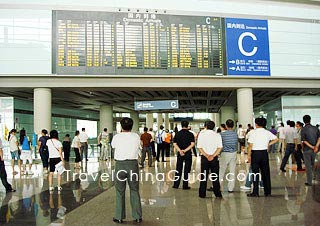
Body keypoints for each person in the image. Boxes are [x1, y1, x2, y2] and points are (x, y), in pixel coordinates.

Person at [111, 117, 142, 224]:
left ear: (121, 126)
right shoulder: (136, 136)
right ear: (132, 126)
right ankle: (137, 216)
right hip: (133, 165)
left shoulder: (116, 137)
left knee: (120, 192)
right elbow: (139, 147)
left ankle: (119, 217)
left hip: (120, 165)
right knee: (134, 190)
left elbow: (113, 146)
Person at [247, 117, 278, 197]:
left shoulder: (253, 132)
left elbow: (250, 145)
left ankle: (255, 192)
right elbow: (276, 139)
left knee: (255, 173)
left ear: (256, 124)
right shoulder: (267, 132)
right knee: (265, 173)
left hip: (255, 154)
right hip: (264, 153)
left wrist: (249, 155)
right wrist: (268, 144)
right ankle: (267, 192)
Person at [197, 120, 223, 198]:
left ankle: (202, 194)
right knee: (215, 176)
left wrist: (206, 155)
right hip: (214, 159)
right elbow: (220, 147)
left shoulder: (202, 135)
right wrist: (213, 156)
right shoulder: (217, 135)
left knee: (204, 176)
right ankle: (217, 193)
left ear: (206, 126)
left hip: (205, 158)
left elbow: (199, 147)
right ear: (214, 127)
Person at [172, 121, 195, 190]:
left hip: (180, 153)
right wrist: (185, 150)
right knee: (187, 169)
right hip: (188, 153)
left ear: (181, 125)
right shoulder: (190, 134)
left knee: (178, 168)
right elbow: (192, 144)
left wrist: (180, 150)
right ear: (188, 125)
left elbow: (174, 144)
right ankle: (185, 185)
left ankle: (176, 185)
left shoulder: (177, 134)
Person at [219, 119, 238, 193]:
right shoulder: (235, 134)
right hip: (234, 153)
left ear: (226, 126)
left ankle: (217, 186)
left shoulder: (222, 134)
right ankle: (230, 188)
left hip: (225, 153)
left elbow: (221, 144)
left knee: (221, 171)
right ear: (233, 126)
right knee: (232, 171)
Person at [301, 115, 320, 186]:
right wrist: (316, 147)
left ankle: (309, 182)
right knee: (313, 165)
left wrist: (312, 147)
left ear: (303, 121)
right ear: (310, 120)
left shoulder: (303, 129)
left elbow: (304, 141)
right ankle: (314, 178)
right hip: (315, 150)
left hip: (307, 150)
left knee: (308, 166)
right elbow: (319, 138)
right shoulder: (316, 128)